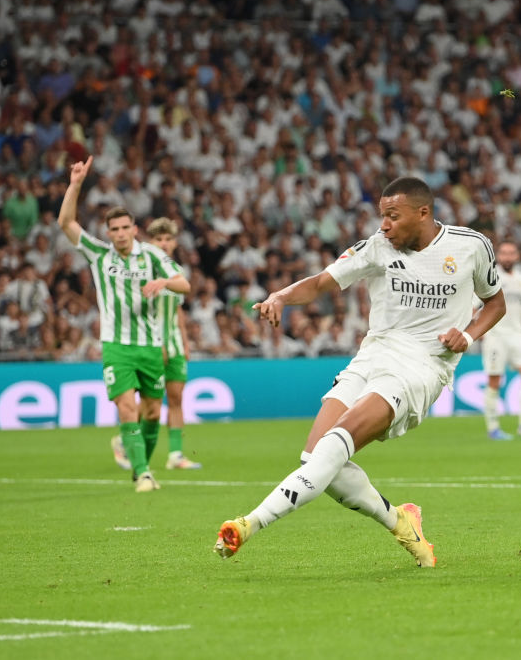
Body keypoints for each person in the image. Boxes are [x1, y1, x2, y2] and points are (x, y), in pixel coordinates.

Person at [214, 176, 506, 566]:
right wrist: (281, 296)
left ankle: (248, 524)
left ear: (423, 213)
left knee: (334, 447)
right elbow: (320, 283)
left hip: (422, 368)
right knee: (315, 460)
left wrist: (467, 337)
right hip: (372, 356)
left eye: (392, 216)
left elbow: (495, 303)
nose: (384, 225)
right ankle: (401, 522)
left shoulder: (471, 246)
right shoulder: (377, 248)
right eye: (382, 215)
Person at [58, 159, 191, 492]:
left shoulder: (151, 255)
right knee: (127, 407)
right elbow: (66, 222)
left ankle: (139, 465)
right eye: (113, 230)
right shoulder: (99, 256)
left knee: (150, 413)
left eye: (124, 228)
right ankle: (144, 473)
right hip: (116, 346)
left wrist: (163, 283)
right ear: (108, 233)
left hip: (150, 345)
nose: (119, 234)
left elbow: (184, 284)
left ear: (134, 230)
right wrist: (75, 184)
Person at [111, 217, 203, 471]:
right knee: (151, 402)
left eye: (168, 239)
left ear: (174, 243)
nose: (164, 244)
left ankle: (175, 454)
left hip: (173, 343)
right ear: (150, 242)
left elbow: (177, 312)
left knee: (176, 398)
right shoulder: (143, 269)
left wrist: (185, 342)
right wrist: (156, 342)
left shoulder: (176, 273)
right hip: (149, 342)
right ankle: (124, 439)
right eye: (158, 239)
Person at [477, 241, 521, 440]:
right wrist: (479, 331)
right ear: (498, 256)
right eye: (504, 253)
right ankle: (493, 428)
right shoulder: (490, 276)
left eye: (511, 253)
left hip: (517, 335)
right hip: (495, 336)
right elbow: (474, 305)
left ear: (517, 256)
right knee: (494, 380)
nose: (507, 257)